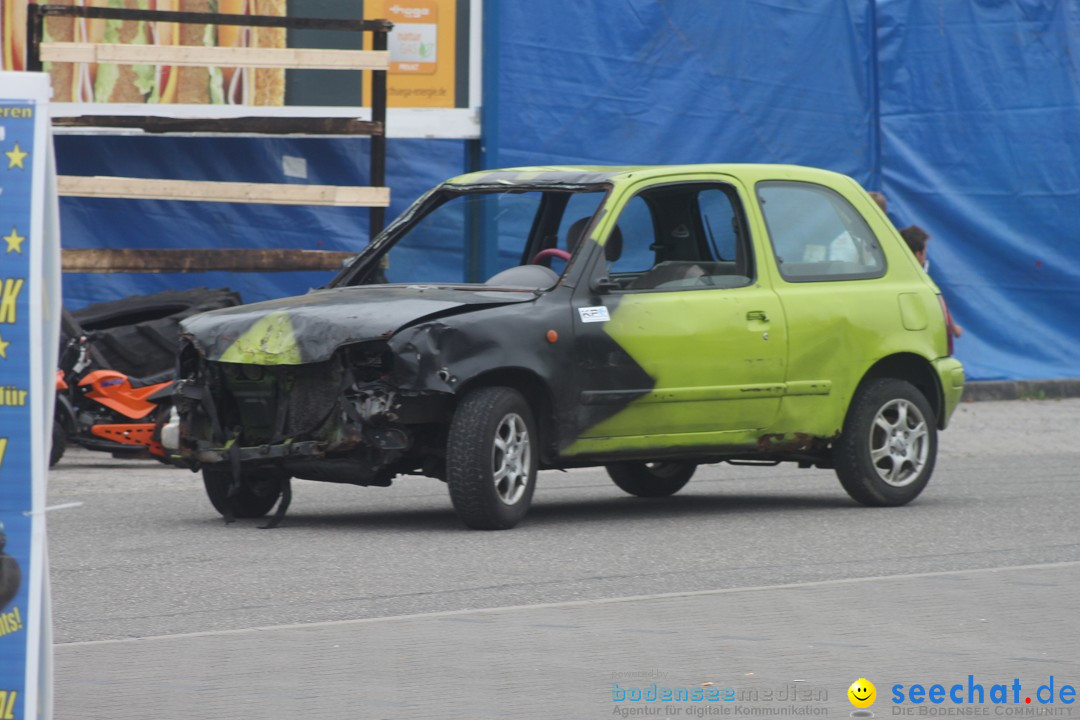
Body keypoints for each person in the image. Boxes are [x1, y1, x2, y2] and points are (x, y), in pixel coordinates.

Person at [900, 225, 963, 338]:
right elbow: (939, 303)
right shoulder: (920, 280)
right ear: (917, 255)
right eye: (924, 252)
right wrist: (954, 329)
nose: (925, 257)